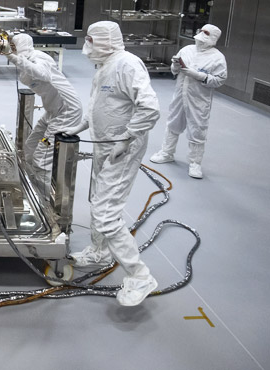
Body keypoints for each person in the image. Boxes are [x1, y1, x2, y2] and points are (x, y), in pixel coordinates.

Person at [62, 21, 160, 307]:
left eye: (91, 40)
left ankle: (140, 276)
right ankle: (100, 252)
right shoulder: (105, 66)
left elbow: (150, 108)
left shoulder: (127, 65)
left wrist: (127, 137)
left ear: (105, 40)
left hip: (123, 148)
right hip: (105, 143)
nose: (87, 46)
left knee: (106, 212)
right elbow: (100, 106)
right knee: (97, 198)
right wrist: (80, 126)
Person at [6, 33, 82, 201]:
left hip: (66, 112)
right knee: (30, 146)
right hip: (51, 112)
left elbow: (43, 74)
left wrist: (13, 58)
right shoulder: (25, 63)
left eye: (13, 46)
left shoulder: (39, 58)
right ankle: (34, 184)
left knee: (42, 156)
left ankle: (46, 200)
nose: (11, 49)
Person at [149, 24, 227, 179]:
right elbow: (174, 71)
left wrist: (198, 75)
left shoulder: (217, 58)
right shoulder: (187, 50)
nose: (199, 41)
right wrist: (175, 65)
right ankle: (167, 153)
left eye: (204, 39)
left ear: (212, 39)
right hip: (179, 95)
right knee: (173, 123)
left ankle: (195, 163)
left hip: (199, 99)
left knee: (197, 129)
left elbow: (219, 80)